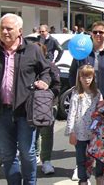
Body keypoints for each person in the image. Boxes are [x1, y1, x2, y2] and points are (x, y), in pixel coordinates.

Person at [68, 21, 104, 180]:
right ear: (91, 34)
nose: (98, 35)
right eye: (95, 32)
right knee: (83, 136)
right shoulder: (83, 51)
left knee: (100, 138)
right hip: (85, 100)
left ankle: (99, 174)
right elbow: (73, 73)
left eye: (101, 32)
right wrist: (76, 92)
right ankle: (82, 171)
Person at [0, 13, 51, 185]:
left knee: (27, 153)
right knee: (7, 154)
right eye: (2, 28)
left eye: (9, 28)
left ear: (20, 31)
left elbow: (46, 70)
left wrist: (44, 81)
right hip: (2, 111)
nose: (4, 32)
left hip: (25, 111)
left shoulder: (32, 50)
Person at [65, 65, 104, 185]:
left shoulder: (97, 93)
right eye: (84, 77)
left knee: (96, 156)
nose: (87, 80)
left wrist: (98, 128)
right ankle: (83, 180)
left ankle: (98, 176)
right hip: (80, 132)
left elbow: (100, 112)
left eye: (89, 77)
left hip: (94, 132)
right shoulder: (76, 94)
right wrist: (71, 132)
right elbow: (71, 113)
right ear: (79, 78)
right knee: (81, 158)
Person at [34, 42, 61, 175]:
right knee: (32, 133)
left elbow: (57, 86)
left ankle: (46, 161)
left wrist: (47, 95)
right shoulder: (28, 66)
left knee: (46, 133)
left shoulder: (51, 67)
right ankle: (35, 155)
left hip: (48, 105)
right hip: (30, 106)